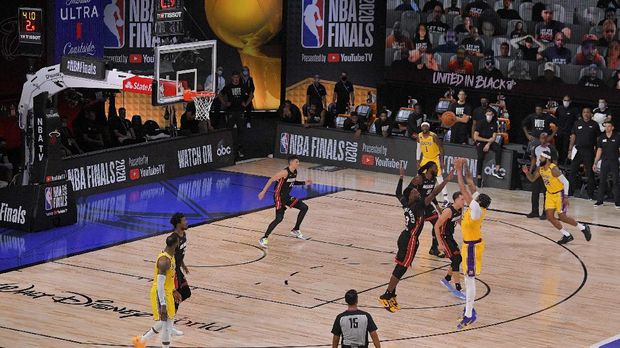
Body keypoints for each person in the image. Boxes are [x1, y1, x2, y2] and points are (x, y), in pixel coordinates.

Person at [378, 165, 453, 312]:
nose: (416, 192)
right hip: (410, 239)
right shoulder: (419, 205)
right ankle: (386, 295)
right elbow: (434, 192)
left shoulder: (406, 203)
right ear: (412, 197)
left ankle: (391, 293)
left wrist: (400, 177)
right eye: (414, 191)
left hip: (405, 236)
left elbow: (397, 193)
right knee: (402, 267)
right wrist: (446, 181)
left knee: (402, 266)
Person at [453, 158, 492, 329]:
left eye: (477, 197)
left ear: (479, 202)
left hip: (472, 247)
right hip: (468, 245)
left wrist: (458, 169)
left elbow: (463, 188)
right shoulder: (478, 204)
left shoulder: (476, 209)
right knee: (468, 279)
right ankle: (469, 310)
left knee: (469, 280)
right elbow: (470, 183)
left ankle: (469, 313)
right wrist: (466, 166)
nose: (474, 195)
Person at [523, 151, 592, 244]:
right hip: (550, 194)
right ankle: (567, 235)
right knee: (550, 217)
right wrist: (527, 173)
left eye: (541, 157)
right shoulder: (540, 169)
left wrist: (566, 197)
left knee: (562, 217)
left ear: (547, 159)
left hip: (560, 194)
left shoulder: (553, 169)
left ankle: (583, 227)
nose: (539, 159)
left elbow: (566, 182)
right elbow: (532, 179)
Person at [132, 234, 181, 348]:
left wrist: (174, 290)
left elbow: (169, 279)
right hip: (161, 294)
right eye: (178, 242)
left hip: (168, 292)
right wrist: (163, 303)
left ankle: (141, 341)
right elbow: (160, 284)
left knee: (167, 322)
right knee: (167, 326)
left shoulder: (171, 255)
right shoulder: (164, 261)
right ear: (175, 244)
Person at [257, 155, 313, 248]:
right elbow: (271, 179)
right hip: (279, 197)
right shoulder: (284, 172)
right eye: (296, 162)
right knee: (279, 218)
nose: (298, 163)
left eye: (298, 162)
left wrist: (304, 183)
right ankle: (264, 238)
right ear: (291, 162)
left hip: (286, 197)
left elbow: (292, 182)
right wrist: (263, 191)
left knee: (304, 207)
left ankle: (296, 229)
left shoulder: (294, 172)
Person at [435, 191, 466, 300]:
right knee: (456, 259)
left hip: (450, 237)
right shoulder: (448, 211)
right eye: (462, 199)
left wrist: (469, 231)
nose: (464, 201)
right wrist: (439, 243)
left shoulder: (460, 209)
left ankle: (447, 279)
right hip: (443, 238)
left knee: (458, 259)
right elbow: (436, 226)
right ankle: (458, 288)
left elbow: (459, 221)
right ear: (456, 199)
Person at [219, 71, 253, 158]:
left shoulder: (243, 86)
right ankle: (228, 149)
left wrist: (246, 103)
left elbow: (251, 94)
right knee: (229, 130)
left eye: (237, 77)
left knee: (241, 131)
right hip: (230, 111)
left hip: (240, 111)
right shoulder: (228, 86)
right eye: (235, 77)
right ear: (232, 78)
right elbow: (220, 94)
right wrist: (225, 103)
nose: (236, 79)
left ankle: (240, 149)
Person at [569, 108, 600, 199]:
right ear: (582, 114)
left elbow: (598, 139)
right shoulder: (577, 123)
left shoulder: (594, 125)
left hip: (589, 151)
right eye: (584, 112)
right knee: (572, 171)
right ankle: (570, 192)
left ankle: (590, 194)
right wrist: (570, 150)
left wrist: (597, 151)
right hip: (578, 150)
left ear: (591, 114)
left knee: (590, 173)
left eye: (588, 112)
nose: (586, 114)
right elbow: (573, 136)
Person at [527, 132, 558, 219]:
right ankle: (534, 211)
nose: (543, 140)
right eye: (541, 138)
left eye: (545, 138)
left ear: (548, 138)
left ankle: (545, 213)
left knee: (546, 194)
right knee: (535, 192)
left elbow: (555, 162)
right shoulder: (536, 148)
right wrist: (530, 170)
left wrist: (553, 172)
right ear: (539, 139)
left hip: (547, 172)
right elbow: (533, 159)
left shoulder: (552, 149)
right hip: (538, 171)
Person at [169, 213, 191, 331]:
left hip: (178, 269)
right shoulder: (173, 239)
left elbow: (180, 254)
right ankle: (169, 323)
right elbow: (168, 257)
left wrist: (183, 265)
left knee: (186, 293)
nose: (186, 222)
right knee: (177, 298)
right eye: (184, 220)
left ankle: (169, 317)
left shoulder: (184, 235)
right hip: (173, 271)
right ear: (178, 223)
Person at [417, 122, 449, 203]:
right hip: (425, 158)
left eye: (426, 126)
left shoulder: (433, 136)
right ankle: (418, 194)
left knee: (439, 177)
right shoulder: (419, 136)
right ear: (421, 128)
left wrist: (441, 161)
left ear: (429, 127)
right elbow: (418, 149)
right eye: (423, 126)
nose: (424, 127)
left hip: (435, 158)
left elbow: (441, 148)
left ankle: (446, 199)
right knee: (420, 176)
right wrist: (418, 160)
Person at [474, 108, 506, 183]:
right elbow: (475, 137)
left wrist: (488, 144)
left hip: (490, 142)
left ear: (493, 115)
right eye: (488, 114)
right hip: (481, 141)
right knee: (480, 156)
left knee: (498, 148)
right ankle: (479, 176)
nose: (489, 116)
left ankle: (497, 170)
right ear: (485, 115)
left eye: (490, 114)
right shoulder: (481, 123)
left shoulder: (494, 123)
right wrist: (487, 141)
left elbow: (494, 137)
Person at [593, 121, 620, 208]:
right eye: (605, 126)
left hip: (614, 161)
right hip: (605, 161)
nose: (607, 128)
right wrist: (595, 162)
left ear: (612, 127)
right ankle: (599, 201)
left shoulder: (617, 137)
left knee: (616, 181)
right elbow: (599, 150)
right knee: (602, 181)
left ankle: (617, 202)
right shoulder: (601, 137)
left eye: (609, 126)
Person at [555, 96, 579, 163]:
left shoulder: (574, 110)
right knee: (558, 146)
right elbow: (556, 118)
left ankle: (564, 161)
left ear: (570, 101)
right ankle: (558, 160)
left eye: (567, 100)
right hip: (560, 131)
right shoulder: (559, 108)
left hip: (568, 132)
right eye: (564, 100)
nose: (566, 102)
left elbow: (577, 120)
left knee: (565, 147)